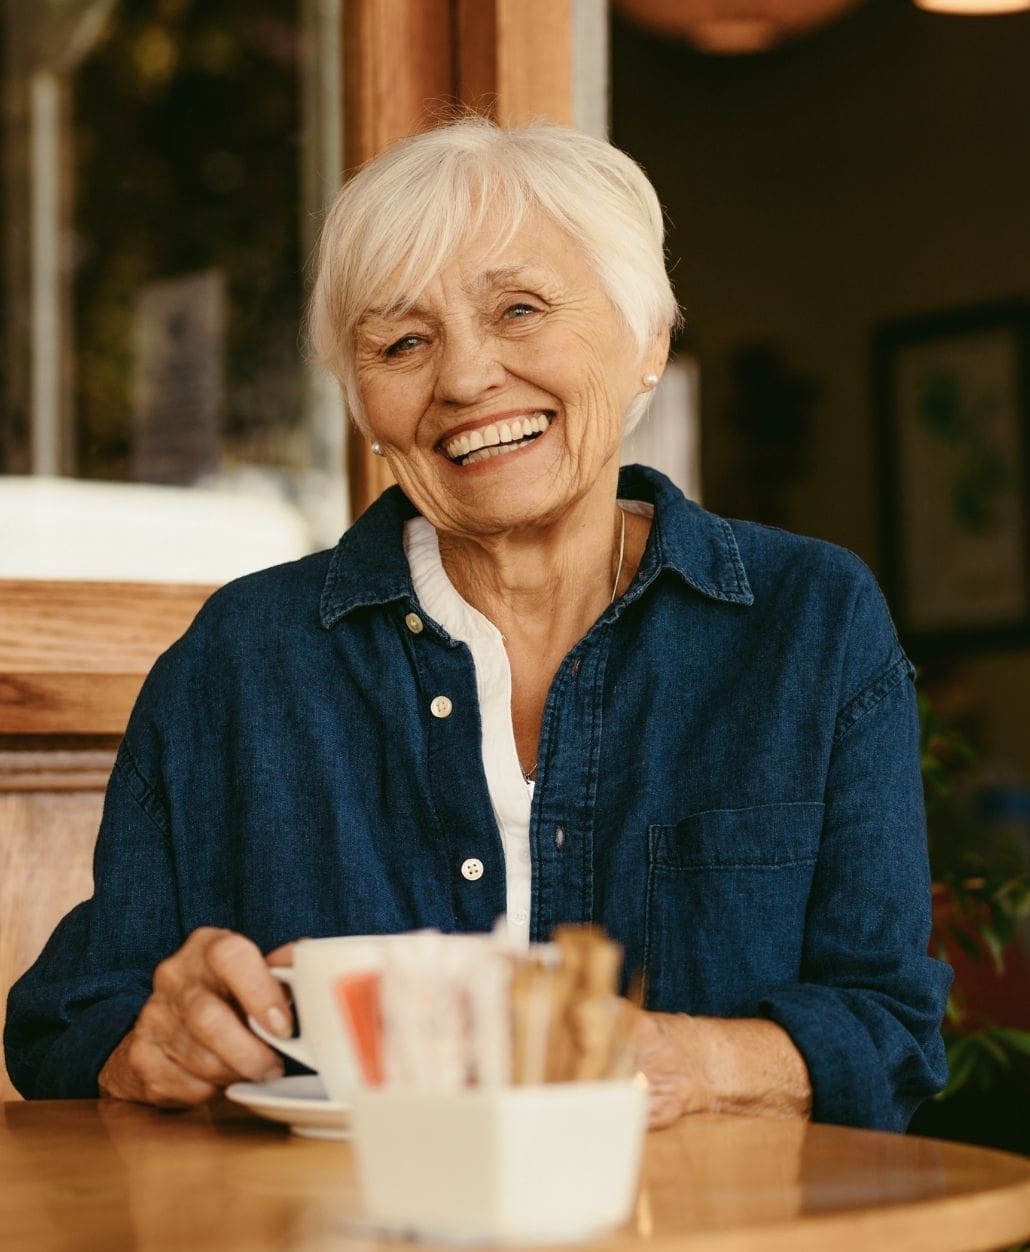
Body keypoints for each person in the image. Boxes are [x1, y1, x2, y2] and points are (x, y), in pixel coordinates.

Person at [5, 118, 950, 1129]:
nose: (463, 379)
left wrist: (688, 1061)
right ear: (362, 404)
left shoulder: (807, 622)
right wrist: (150, 1041)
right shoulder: (242, 657)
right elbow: (69, 1017)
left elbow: (888, 1029)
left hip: (689, 1212)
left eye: (519, 310)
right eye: (402, 342)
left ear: (646, 342)